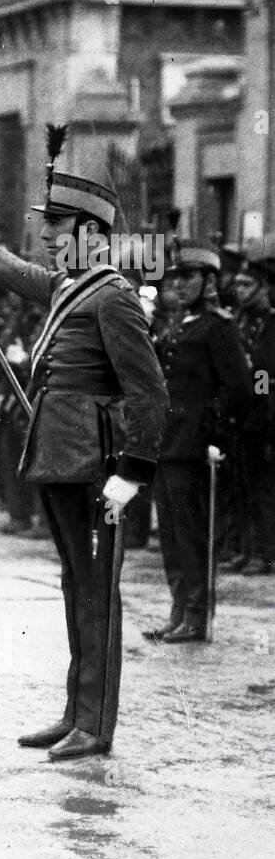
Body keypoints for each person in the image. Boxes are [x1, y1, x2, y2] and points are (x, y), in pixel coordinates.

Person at [0, 125, 169, 761]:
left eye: (59, 228)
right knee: (74, 581)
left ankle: (96, 723)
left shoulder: (114, 297)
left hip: (102, 464)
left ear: (91, 233)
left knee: (98, 591)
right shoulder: (69, 286)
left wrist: (135, 470)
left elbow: (148, 391)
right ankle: (74, 712)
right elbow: (21, 274)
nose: (49, 237)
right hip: (62, 454)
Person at [145, 242, 252, 643]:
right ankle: (178, 610)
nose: (181, 285)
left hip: (195, 445)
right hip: (168, 442)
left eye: (190, 277)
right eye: (176, 278)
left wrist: (216, 435)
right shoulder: (178, 324)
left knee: (192, 533)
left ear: (209, 281)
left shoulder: (218, 327)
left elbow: (239, 387)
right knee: (171, 534)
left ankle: (197, 614)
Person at [229, 243, 275, 576]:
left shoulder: (271, 325)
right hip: (244, 418)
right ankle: (248, 547)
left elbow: (263, 373)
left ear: (265, 287)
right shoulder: (241, 322)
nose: (240, 291)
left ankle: (265, 551)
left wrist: (252, 379)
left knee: (263, 488)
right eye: (239, 285)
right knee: (243, 486)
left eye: (248, 285)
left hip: (266, 417)